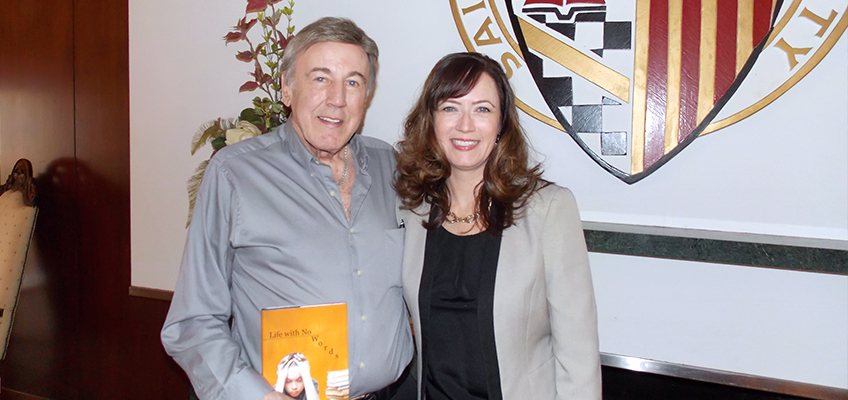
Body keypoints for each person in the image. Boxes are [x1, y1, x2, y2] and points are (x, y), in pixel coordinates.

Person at [161, 17, 413, 400]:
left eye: (353, 82)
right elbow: (193, 322)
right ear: (287, 89)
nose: (337, 98)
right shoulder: (235, 173)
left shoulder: (389, 166)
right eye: (320, 78)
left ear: (367, 95)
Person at [394, 52, 602, 400]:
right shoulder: (410, 210)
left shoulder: (549, 210)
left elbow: (577, 356)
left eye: (482, 109)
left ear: (502, 124)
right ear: (430, 120)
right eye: (450, 107)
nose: (465, 125)